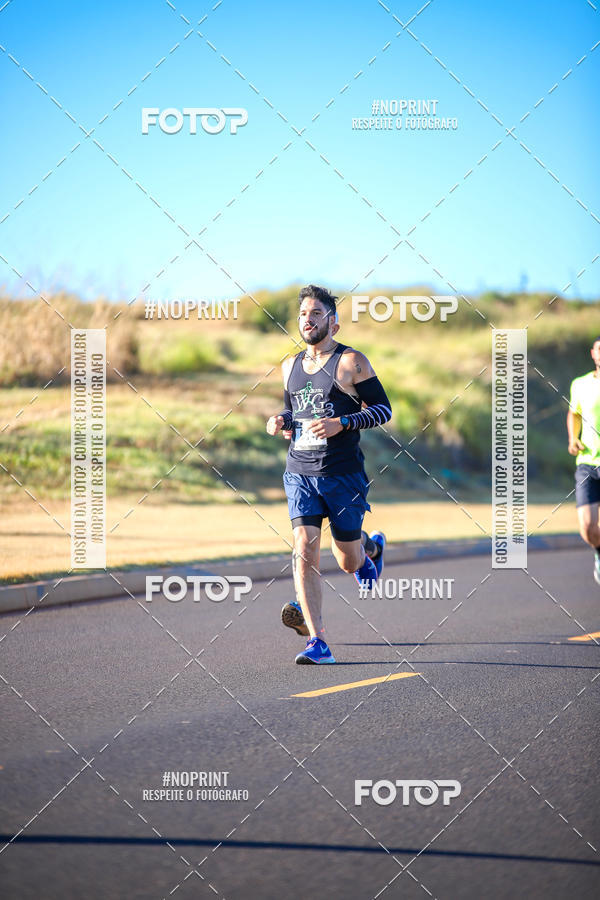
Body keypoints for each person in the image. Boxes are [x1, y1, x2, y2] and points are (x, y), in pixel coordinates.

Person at [266, 284, 392, 664]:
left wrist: (345, 422)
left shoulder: (351, 362)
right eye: (304, 314)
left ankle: (370, 551)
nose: (308, 319)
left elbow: (384, 410)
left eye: (317, 314)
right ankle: (318, 642)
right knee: (304, 547)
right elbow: (296, 413)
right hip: (300, 472)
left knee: (347, 561)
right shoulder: (289, 365)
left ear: (333, 324)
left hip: (342, 474)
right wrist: (282, 421)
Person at [567, 336, 600, 585]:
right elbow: (574, 413)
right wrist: (573, 438)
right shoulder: (579, 384)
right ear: (592, 353)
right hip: (587, 462)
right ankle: (599, 552)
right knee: (587, 528)